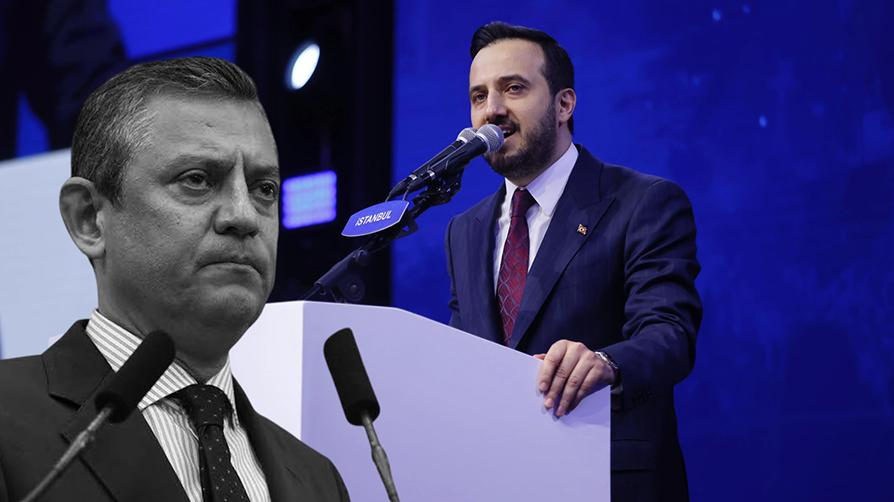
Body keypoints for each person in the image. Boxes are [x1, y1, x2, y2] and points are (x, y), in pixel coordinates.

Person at [0, 57, 349, 501]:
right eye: (197, 180)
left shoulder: (319, 481)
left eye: (264, 189)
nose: (244, 216)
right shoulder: (8, 418)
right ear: (89, 218)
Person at [445, 22, 701, 501]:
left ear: (564, 104)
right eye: (479, 96)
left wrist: (605, 362)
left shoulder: (642, 202)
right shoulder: (465, 230)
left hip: (608, 479)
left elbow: (670, 334)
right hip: (498, 483)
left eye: (513, 88)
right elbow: (467, 359)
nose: (492, 110)